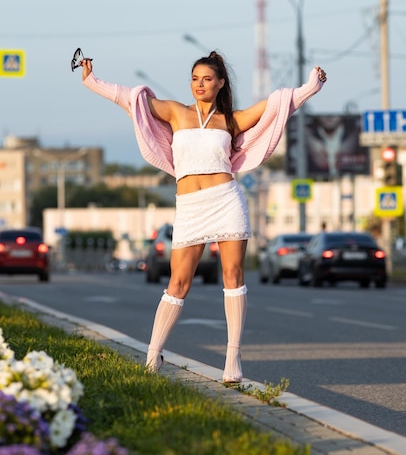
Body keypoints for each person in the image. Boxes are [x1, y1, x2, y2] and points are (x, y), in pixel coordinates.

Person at [79, 50, 327, 383]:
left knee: (233, 275)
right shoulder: (176, 112)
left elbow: (278, 106)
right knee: (178, 282)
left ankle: (232, 359)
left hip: (226, 200)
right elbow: (130, 98)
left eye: (207, 79)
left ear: (220, 83)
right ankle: (153, 356)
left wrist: (310, 87)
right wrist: (92, 81)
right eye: (195, 79)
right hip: (190, 207)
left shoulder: (232, 120)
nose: (199, 84)